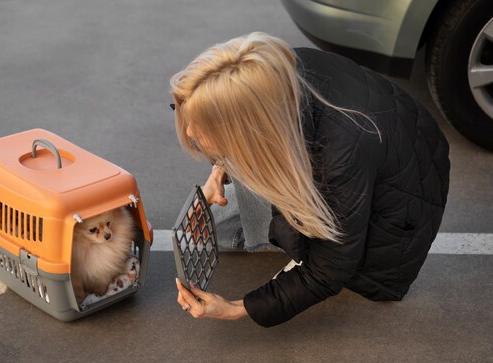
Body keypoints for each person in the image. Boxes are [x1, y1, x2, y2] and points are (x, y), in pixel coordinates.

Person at [170, 32, 450, 327]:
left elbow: (328, 270)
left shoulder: (338, 158)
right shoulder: (268, 74)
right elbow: (244, 136)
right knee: (225, 224)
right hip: (385, 152)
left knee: (244, 234)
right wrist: (218, 172)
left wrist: (236, 308)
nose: (189, 134)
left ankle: (296, 246)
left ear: (245, 127)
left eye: (202, 131)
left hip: (398, 219)